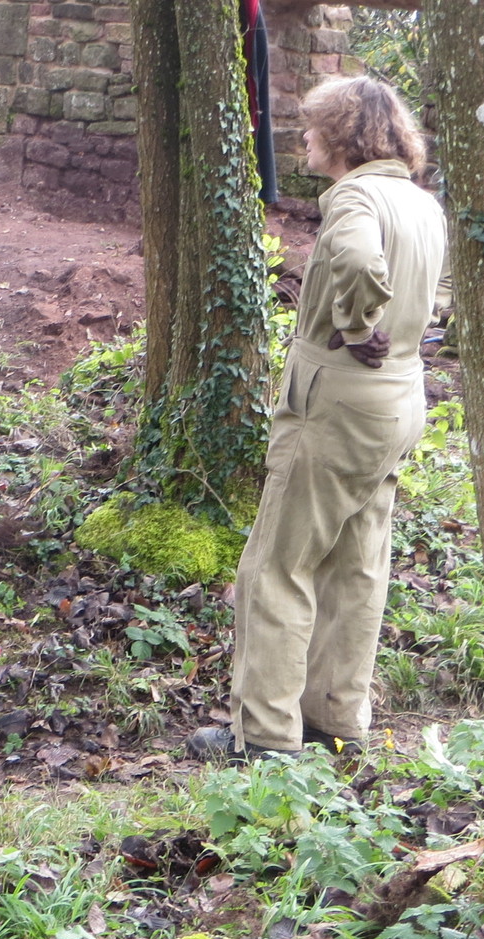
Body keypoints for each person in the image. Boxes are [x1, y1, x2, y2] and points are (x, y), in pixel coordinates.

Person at [189, 76, 449, 762]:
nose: (303, 137)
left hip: (337, 399)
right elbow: (439, 293)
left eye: (312, 126)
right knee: (357, 565)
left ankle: (265, 737)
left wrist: (356, 321)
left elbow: (360, 261)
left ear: (340, 136)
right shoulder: (421, 203)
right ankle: (335, 722)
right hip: (401, 398)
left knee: (277, 565)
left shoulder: (356, 197)